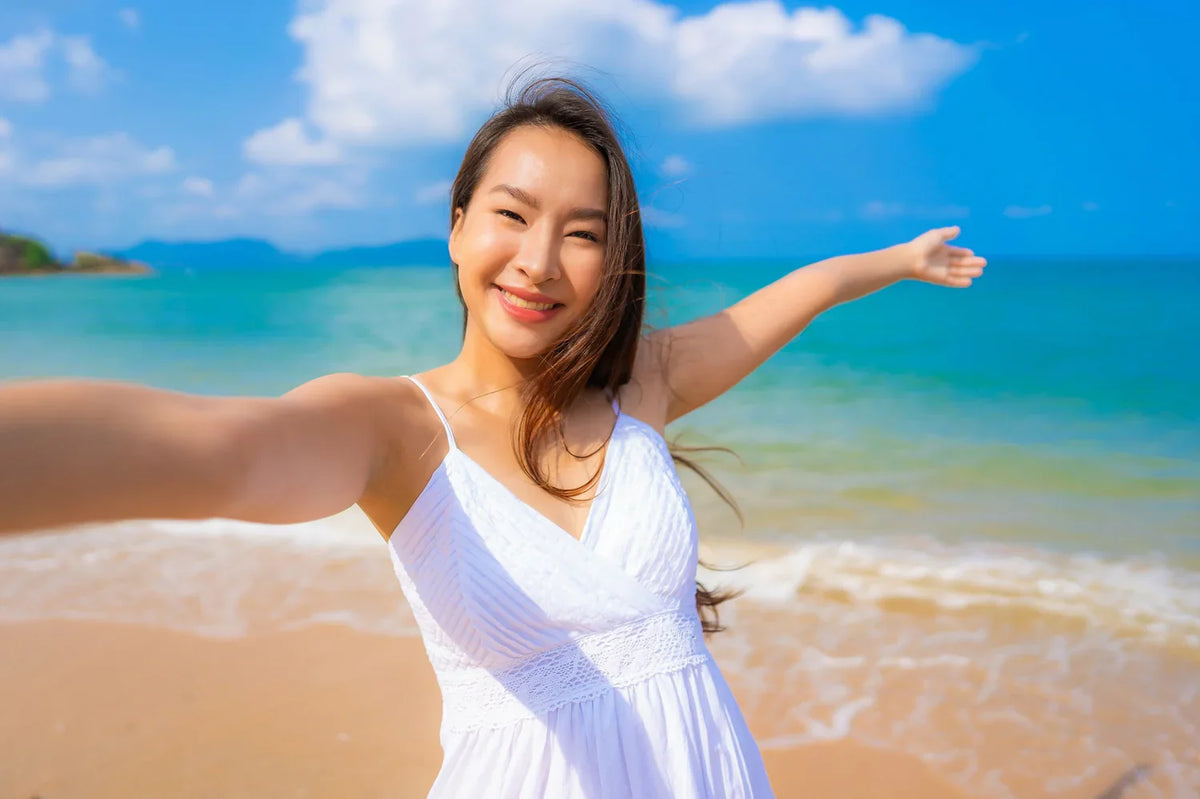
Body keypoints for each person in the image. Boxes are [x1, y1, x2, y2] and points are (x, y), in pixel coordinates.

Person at [0, 73, 987, 797]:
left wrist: (898, 258)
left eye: (585, 232)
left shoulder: (643, 381)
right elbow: (225, 452)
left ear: (617, 255)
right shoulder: (393, 428)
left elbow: (794, 295)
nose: (540, 261)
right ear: (457, 223)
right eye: (511, 215)